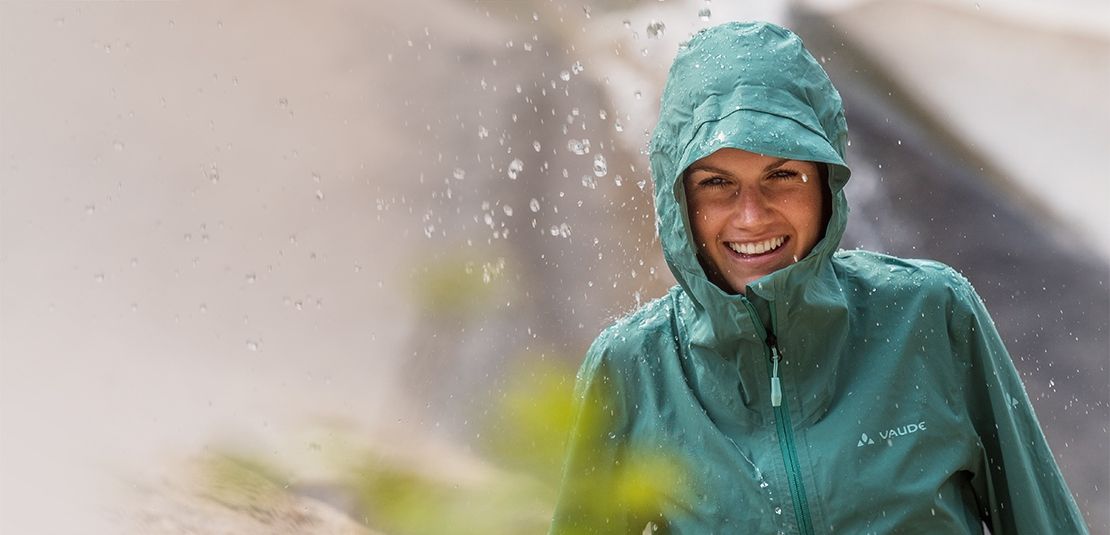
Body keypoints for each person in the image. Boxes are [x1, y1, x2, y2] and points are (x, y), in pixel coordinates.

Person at [549, 21, 1088, 534]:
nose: (751, 216)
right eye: (717, 184)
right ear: (678, 200)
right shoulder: (632, 369)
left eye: (781, 175)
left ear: (825, 184)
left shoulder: (932, 314)